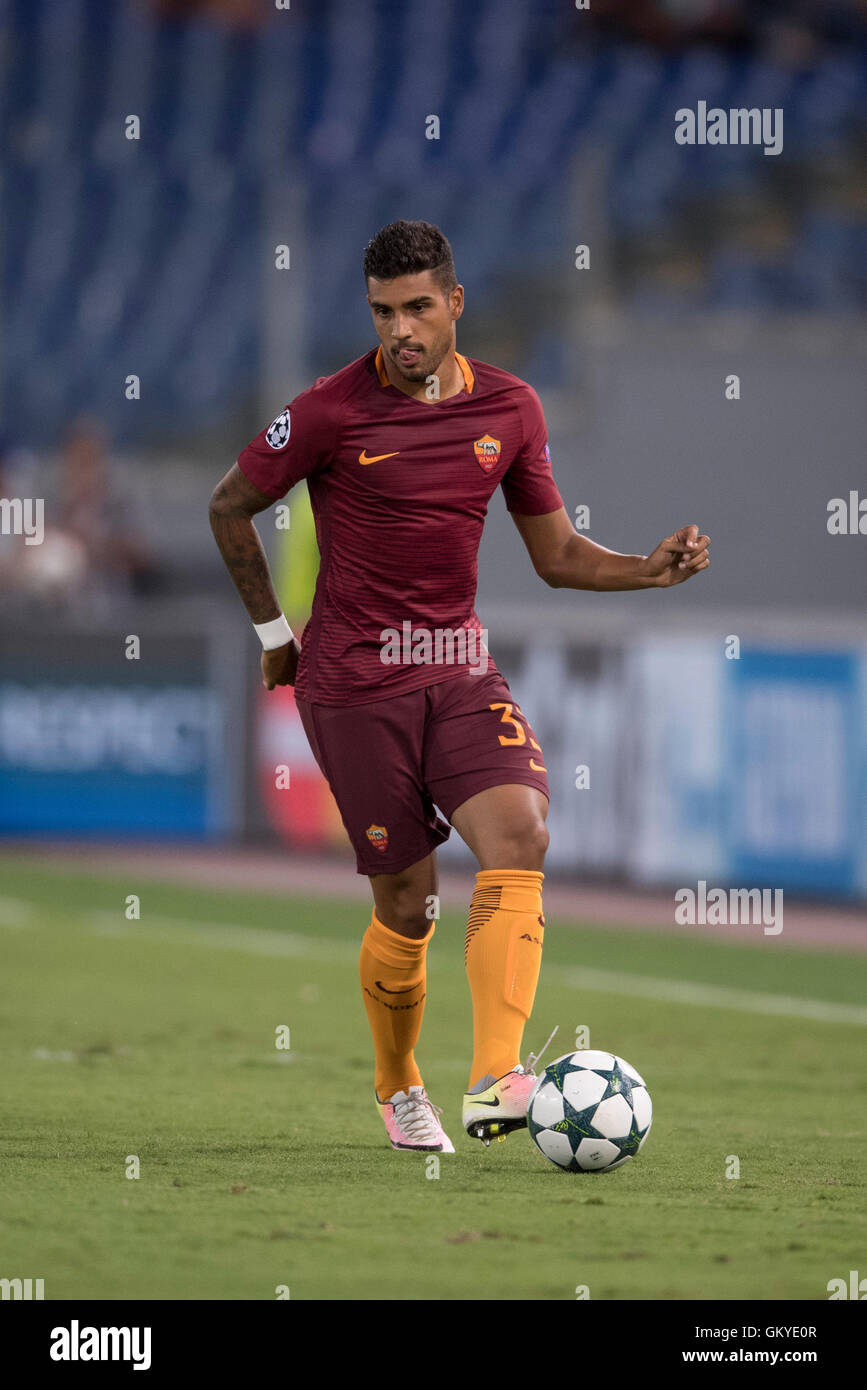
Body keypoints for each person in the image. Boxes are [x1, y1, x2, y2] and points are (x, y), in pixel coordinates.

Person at [209, 220, 710, 1153]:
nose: (400, 330)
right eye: (382, 312)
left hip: (457, 667)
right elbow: (228, 504)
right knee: (407, 903)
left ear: (455, 304)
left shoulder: (512, 408)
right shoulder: (328, 411)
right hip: (354, 685)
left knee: (519, 829)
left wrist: (645, 568)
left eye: (417, 308)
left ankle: (491, 1078)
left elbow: (556, 555)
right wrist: (275, 635)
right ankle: (400, 1085)